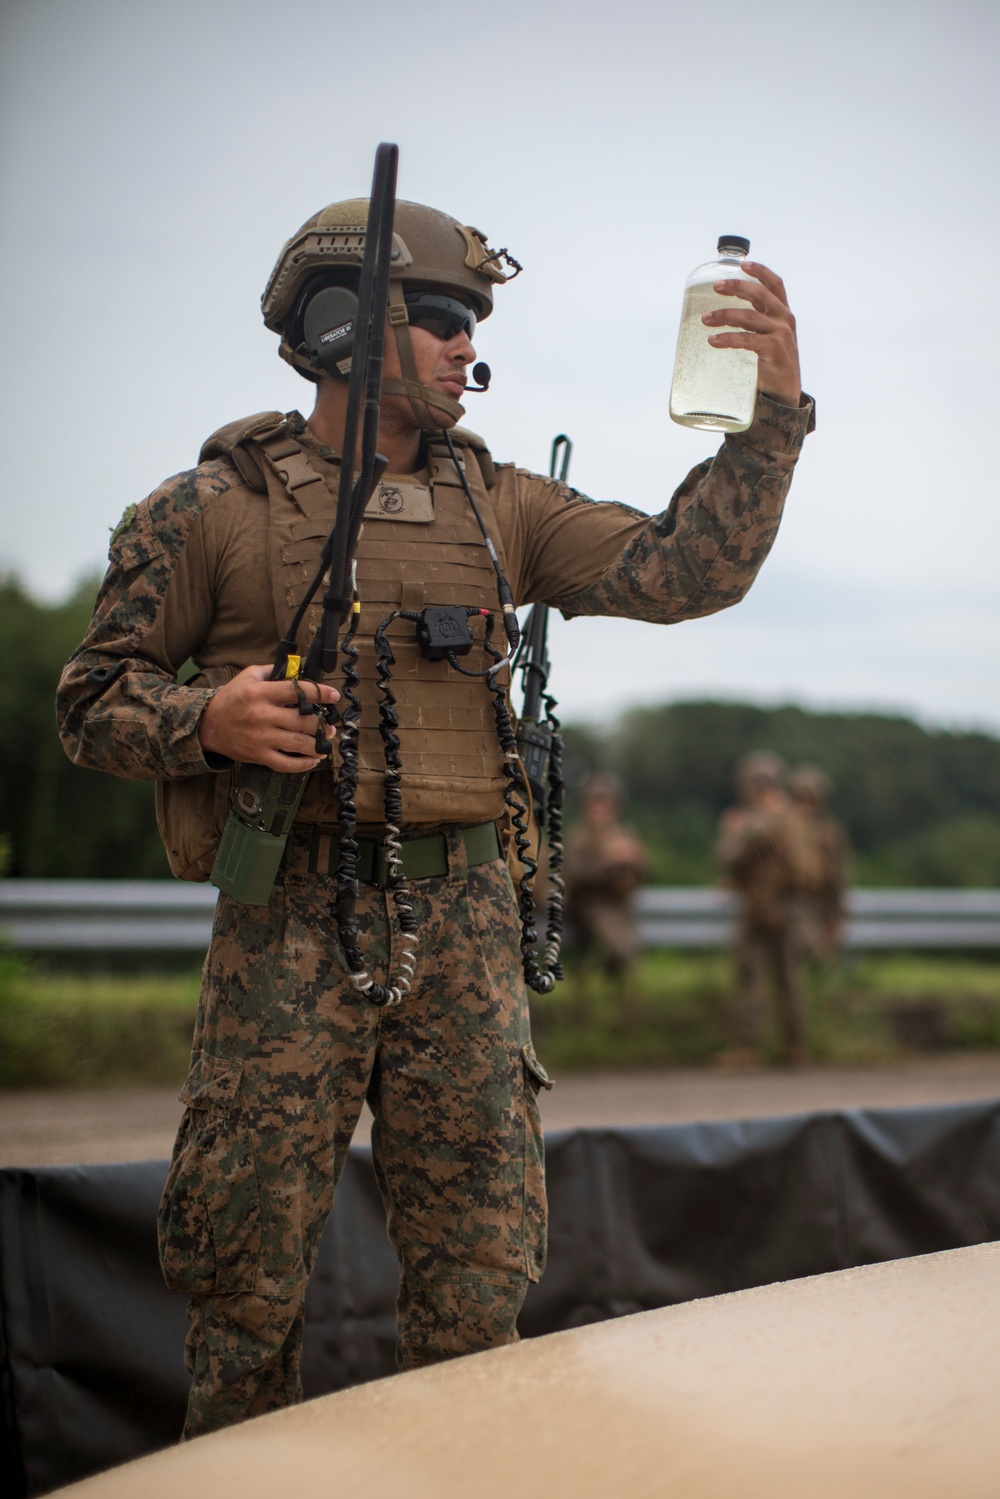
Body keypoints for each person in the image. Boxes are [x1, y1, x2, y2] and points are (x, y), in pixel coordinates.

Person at [56, 191, 812, 1438]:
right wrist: (211, 719)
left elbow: (687, 570)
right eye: (445, 316)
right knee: (243, 1273)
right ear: (346, 321)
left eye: (474, 322)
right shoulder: (209, 510)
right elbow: (87, 702)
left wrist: (771, 414)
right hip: (288, 908)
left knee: (479, 1275)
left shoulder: (499, 503)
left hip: (466, 912)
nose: (471, 345)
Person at [715, 751, 817, 1063]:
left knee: (750, 977)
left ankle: (749, 1048)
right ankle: (796, 1047)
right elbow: (807, 870)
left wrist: (733, 831)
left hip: (761, 908)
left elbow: (728, 859)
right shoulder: (794, 818)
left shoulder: (754, 820)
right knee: (789, 979)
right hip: (790, 907)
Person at [564, 774, 649, 1021]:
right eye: (595, 803)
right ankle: (596, 1014)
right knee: (620, 950)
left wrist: (635, 860)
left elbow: (642, 874)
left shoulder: (623, 834)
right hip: (589, 907)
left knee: (626, 955)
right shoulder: (579, 836)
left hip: (619, 906)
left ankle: (624, 1016)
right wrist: (610, 862)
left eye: (606, 803)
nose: (601, 809)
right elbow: (575, 873)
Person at [788, 764, 851, 963]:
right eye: (802, 799)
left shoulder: (830, 833)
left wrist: (837, 915)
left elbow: (838, 876)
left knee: (820, 960)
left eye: (812, 800)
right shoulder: (782, 829)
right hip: (786, 905)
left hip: (819, 905)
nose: (807, 806)